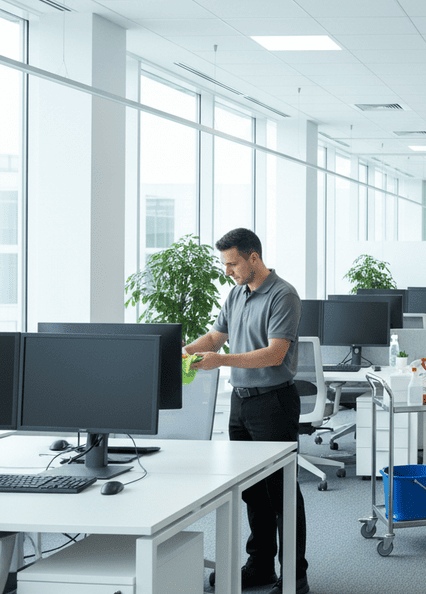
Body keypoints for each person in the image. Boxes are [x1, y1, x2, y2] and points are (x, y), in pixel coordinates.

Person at [185, 228, 310, 594]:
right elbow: (214, 337)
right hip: (241, 402)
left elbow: (275, 353)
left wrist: (219, 361)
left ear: (253, 258)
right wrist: (181, 351)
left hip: (273, 402)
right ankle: (260, 565)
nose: (228, 271)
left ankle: (295, 576)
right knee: (252, 490)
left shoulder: (283, 295)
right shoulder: (237, 293)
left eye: (233, 263)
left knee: (281, 491)